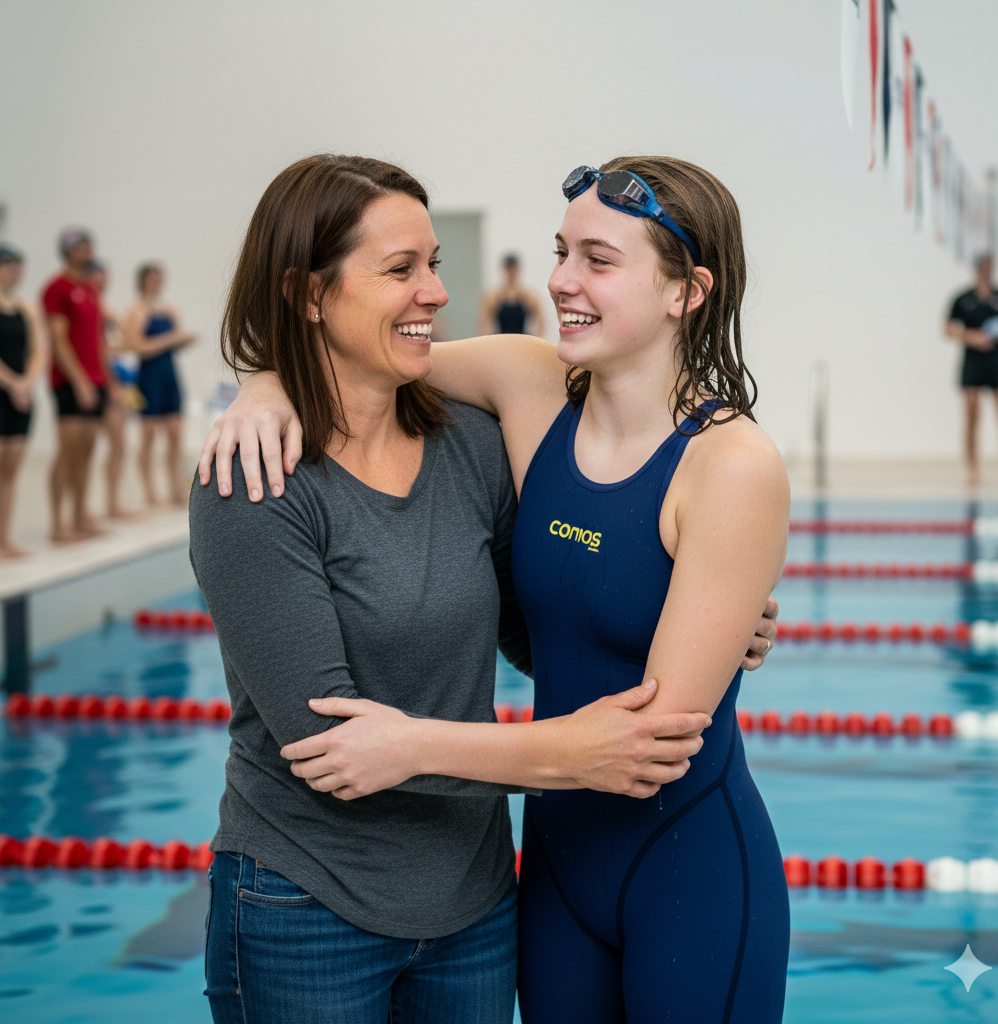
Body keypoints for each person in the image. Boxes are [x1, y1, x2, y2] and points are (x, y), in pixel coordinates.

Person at [200, 155, 789, 1023]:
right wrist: (261, 383)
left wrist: (410, 744)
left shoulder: (731, 464)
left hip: (678, 866)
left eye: (597, 259)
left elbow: (642, 740)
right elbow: (355, 356)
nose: (559, 281)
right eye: (562, 252)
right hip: (545, 878)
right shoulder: (527, 385)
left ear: (684, 291)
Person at [42, 228, 110, 542]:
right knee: (67, 452)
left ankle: (80, 516)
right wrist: (80, 380)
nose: (86, 250)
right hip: (69, 382)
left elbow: (98, 339)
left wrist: (105, 379)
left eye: (88, 244)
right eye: (80, 246)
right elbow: (58, 341)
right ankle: (58, 523)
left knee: (87, 451)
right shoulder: (56, 288)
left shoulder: (91, 290)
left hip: (97, 380)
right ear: (67, 251)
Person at [945, 253, 998, 486]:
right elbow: (948, 328)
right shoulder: (963, 298)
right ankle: (972, 470)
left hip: (997, 362)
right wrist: (971, 337)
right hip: (973, 362)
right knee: (972, 417)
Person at [123, 263, 194, 506]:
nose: (156, 282)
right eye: (152, 278)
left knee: (175, 433)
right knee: (149, 434)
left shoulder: (169, 309)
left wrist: (183, 341)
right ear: (142, 281)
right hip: (149, 376)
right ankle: (150, 491)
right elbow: (137, 346)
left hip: (169, 375)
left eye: (159, 277)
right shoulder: (136, 311)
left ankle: (175, 488)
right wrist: (171, 339)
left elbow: (171, 343)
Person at [0, 245, 43, 558]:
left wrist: (26, 382)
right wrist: (12, 383)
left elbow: (39, 350)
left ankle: (5, 539)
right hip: (4, 392)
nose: (14, 271)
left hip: (22, 395)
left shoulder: (26, 308)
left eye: (17, 266)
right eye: (8, 266)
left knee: (11, 471)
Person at [88, 259, 135, 519]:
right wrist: (113, 385)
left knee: (119, 445)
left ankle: (111, 502)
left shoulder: (106, 312)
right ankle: (101, 505)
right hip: (103, 385)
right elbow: (99, 352)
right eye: (98, 277)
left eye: (105, 277)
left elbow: (121, 345)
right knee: (96, 446)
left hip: (114, 382)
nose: (103, 282)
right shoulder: (91, 311)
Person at [479, 253, 545, 335]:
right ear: (504, 270)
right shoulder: (493, 296)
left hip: (522, 341)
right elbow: (483, 322)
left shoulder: (528, 296)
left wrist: (536, 340)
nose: (512, 273)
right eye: (509, 269)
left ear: (518, 270)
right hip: (501, 342)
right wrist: (490, 341)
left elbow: (541, 321)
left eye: (514, 269)